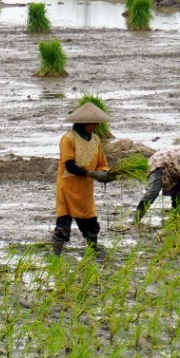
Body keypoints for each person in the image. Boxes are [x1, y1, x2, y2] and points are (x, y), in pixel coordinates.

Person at [52, 103, 115, 255]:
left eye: (97, 122)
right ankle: (56, 256)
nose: (96, 125)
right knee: (63, 225)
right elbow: (69, 166)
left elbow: (102, 163)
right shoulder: (68, 139)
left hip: (85, 190)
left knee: (90, 222)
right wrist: (92, 174)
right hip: (68, 188)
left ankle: (93, 250)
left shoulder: (95, 140)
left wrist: (106, 174)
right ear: (83, 123)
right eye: (93, 122)